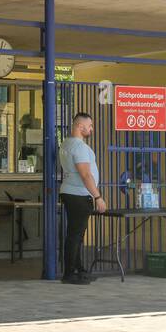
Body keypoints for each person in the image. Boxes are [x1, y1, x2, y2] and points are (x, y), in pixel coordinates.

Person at [58, 112, 106, 285]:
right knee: (75, 235)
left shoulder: (66, 144)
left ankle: (78, 270)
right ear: (80, 126)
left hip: (71, 192)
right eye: (90, 125)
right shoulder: (79, 147)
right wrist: (98, 197)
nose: (92, 129)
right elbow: (85, 174)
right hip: (78, 194)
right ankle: (70, 273)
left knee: (75, 234)